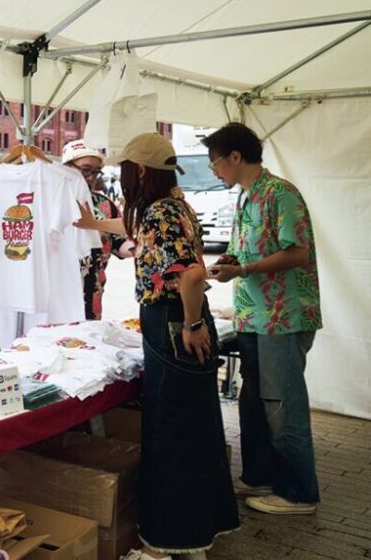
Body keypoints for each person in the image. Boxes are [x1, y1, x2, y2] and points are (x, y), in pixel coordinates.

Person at [76, 133, 238, 558]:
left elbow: (191, 275)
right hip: (179, 320)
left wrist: (192, 322)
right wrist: (94, 225)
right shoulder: (171, 205)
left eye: (126, 170)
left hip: (174, 320)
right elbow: (138, 231)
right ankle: (201, 529)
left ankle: (169, 540)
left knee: (171, 429)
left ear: (141, 171)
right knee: (195, 424)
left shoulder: (161, 212)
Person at [203, 122, 321, 515]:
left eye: (215, 163)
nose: (214, 171)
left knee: (281, 405)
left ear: (235, 157)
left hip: (282, 317)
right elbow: (248, 251)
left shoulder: (280, 194)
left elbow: (297, 252)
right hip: (252, 316)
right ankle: (259, 476)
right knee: (253, 402)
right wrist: (229, 263)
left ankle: (299, 493)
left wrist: (244, 269)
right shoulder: (246, 196)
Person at [61, 140, 132, 320]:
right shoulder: (50, 201)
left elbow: (120, 242)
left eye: (96, 172)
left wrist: (138, 248)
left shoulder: (104, 204)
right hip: (57, 290)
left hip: (92, 291)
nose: (91, 177)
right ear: (66, 167)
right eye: (86, 170)